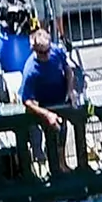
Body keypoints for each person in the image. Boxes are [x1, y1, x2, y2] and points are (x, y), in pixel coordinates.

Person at [19, 29, 76, 175]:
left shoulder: (56, 52)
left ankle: (62, 162)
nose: (46, 55)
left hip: (60, 100)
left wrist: (70, 90)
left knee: (62, 131)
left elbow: (68, 70)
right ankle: (45, 165)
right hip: (42, 106)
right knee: (41, 139)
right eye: (42, 53)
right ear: (35, 51)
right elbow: (27, 101)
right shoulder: (30, 70)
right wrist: (47, 114)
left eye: (48, 51)